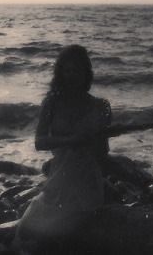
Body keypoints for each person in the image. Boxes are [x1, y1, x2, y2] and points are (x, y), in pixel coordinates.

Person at [15, 45, 112, 254]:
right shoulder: (51, 103)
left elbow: (103, 152)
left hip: (86, 176)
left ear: (87, 73)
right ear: (60, 73)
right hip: (59, 173)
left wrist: (92, 142)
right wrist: (71, 140)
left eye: (77, 70)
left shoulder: (100, 106)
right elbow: (39, 142)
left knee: (65, 235)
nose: (72, 76)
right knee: (28, 231)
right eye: (67, 70)